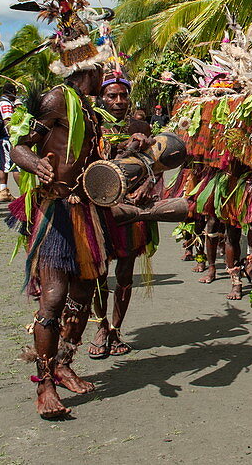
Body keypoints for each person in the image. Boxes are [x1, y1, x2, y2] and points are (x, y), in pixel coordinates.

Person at [0, 0, 116, 418]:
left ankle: (63, 360)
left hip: (83, 207)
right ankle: (44, 386)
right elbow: (18, 143)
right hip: (55, 209)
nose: (103, 76)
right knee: (55, 294)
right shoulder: (57, 100)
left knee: (87, 288)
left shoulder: (91, 109)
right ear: (81, 68)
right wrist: (32, 163)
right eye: (97, 69)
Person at [88, 71, 156, 360]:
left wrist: (146, 185)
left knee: (125, 273)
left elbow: (157, 164)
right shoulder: (92, 123)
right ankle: (100, 325)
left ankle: (116, 328)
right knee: (98, 273)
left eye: (123, 95)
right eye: (112, 96)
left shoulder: (140, 124)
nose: (118, 101)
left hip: (130, 209)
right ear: (101, 97)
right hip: (99, 208)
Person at [0, 84, 17, 202]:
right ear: (11, 91)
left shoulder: (0, 102)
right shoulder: (5, 103)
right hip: (7, 137)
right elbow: (7, 119)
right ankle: (23, 192)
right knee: (14, 166)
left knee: (5, 164)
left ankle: (3, 190)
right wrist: (13, 135)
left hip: (3, 137)